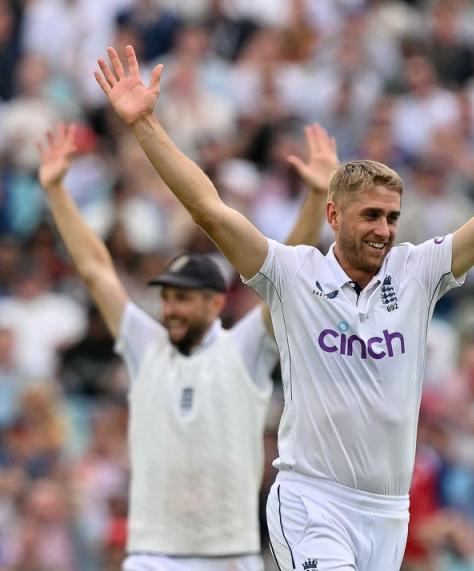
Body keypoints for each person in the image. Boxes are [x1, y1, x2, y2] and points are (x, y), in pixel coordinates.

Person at [93, 45, 474, 570]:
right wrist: (145, 125)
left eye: (392, 216)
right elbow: (211, 210)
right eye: (370, 216)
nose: (384, 230)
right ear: (334, 215)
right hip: (312, 503)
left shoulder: (419, 271)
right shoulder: (292, 274)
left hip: (387, 512)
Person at [36, 121, 339, 570]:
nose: (171, 309)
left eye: (183, 298)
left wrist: (315, 198)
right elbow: (96, 269)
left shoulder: (245, 348)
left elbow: (287, 279)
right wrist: (56, 190)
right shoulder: (145, 345)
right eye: (167, 297)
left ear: (216, 302)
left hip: (227, 555)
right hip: (151, 553)